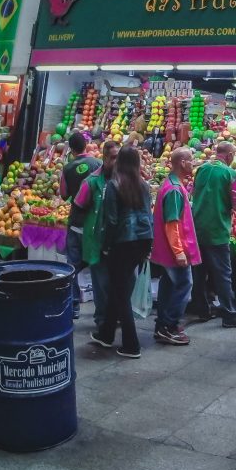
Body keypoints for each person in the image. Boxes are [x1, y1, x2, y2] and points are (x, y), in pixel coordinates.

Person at [90, 146, 152, 358]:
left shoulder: (113, 185)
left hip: (122, 243)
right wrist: (148, 246)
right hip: (141, 242)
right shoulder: (143, 185)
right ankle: (106, 334)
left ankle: (131, 345)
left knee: (121, 293)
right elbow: (147, 215)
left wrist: (106, 247)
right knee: (120, 288)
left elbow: (112, 220)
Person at [190, 142, 236, 328]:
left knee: (199, 272)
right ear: (230, 155)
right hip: (217, 230)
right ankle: (229, 314)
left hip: (197, 228)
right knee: (223, 274)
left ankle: (201, 309)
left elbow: (192, 193)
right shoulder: (230, 174)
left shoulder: (201, 169)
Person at [149, 148, 201, 346]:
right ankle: (168, 326)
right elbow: (172, 224)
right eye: (190, 159)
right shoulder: (173, 190)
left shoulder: (173, 185)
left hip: (167, 248)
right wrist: (179, 252)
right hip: (173, 250)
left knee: (169, 285)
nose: (193, 162)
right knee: (183, 284)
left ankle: (162, 324)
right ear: (181, 163)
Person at [73, 140, 119, 329]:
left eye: (120, 157)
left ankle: (114, 316)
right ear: (105, 158)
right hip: (97, 242)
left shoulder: (124, 180)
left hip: (117, 241)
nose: (117, 162)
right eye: (114, 157)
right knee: (101, 283)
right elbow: (78, 208)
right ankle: (102, 320)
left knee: (115, 283)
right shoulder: (90, 182)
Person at [60, 131, 98, 318]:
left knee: (72, 265)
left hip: (76, 223)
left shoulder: (67, 168)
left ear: (71, 149)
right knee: (98, 266)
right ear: (86, 145)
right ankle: (102, 309)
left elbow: (64, 194)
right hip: (96, 224)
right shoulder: (98, 164)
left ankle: (74, 305)